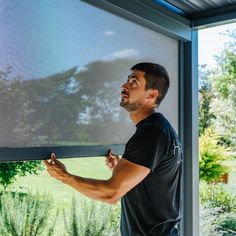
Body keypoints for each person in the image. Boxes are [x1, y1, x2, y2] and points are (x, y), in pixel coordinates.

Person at [44, 62, 182, 236]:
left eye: (134, 82)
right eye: (127, 81)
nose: (124, 86)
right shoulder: (161, 129)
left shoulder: (152, 133)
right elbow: (154, 181)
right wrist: (122, 168)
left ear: (152, 94)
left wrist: (65, 177)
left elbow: (111, 193)